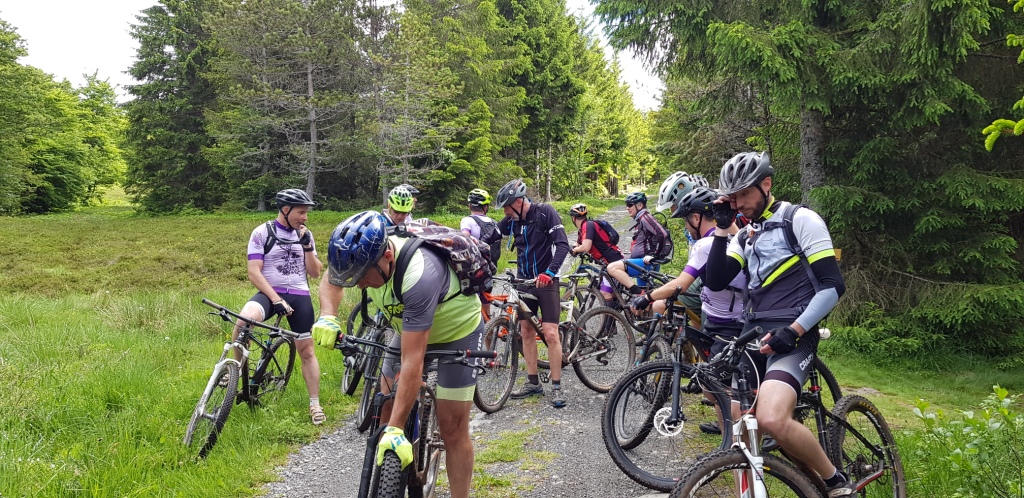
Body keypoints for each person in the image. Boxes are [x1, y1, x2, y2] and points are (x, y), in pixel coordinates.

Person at [703, 151, 852, 495]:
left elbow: (833, 286)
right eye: (733, 197)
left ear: (766, 184)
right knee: (740, 420)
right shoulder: (745, 235)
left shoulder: (800, 220)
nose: (739, 203)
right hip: (753, 332)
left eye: (744, 194)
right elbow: (715, 280)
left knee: (770, 418)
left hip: (794, 331)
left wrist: (794, 330)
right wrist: (723, 229)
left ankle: (835, 481)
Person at [312, 211, 482, 498]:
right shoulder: (364, 256)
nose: (359, 284)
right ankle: (390, 465)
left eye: (363, 275)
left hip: (457, 332)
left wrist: (396, 427)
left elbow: (413, 359)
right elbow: (333, 278)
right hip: (408, 328)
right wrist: (328, 315)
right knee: (387, 407)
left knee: (453, 429)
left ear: (388, 256)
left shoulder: (419, 274)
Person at [630, 186, 745, 434]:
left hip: (725, 323)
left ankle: (733, 444)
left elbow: (681, 284)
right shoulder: (736, 238)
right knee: (716, 386)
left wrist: (646, 298)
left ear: (696, 217)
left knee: (718, 390)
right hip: (734, 317)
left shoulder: (706, 244)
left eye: (685, 220)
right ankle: (733, 435)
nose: (685, 226)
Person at [237, 188, 325, 425]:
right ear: (285, 210)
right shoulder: (262, 232)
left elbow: (315, 272)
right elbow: (254, 272)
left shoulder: (305, 234)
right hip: (269, 293)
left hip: (299, 295)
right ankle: (233, 371)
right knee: (243, 321)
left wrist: (307, 247)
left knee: (307, 351)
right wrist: (276, 299)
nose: (305, 217)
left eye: (306, 213)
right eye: (301, 212)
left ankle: (315, 404)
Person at [492, 178, 571, 408]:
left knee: (551, 333)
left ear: (518, 202)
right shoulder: (512, 220)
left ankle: (556, 386)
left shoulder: (545, 212)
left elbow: (563, 245)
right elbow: (490, 236)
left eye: (507, 207)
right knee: (526, 331)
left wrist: (550, 272)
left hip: (546, 281)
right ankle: (533, 382)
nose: (505, 213)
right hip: (524, 281)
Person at [606, 192, 672, 295]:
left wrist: (654, 255)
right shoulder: (641, 219)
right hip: (642, 262)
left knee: (612, 268)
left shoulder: (645, 217)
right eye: (626, 205)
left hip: (645, 263)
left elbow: (662, 234)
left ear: (640, 205)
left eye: (630, 205)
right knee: (644, 297)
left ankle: (634, 290)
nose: (627, 208)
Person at [567, 203, 622, 302]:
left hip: (613, 262)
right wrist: (574, 247)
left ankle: (613, 311)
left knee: (604, 294)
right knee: (607, 291)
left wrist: (575, 250)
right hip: (608, 262)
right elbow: (578, 244)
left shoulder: (588, 225)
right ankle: (617, 307)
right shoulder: (583, 228)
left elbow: (586, 247)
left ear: (573, 218)